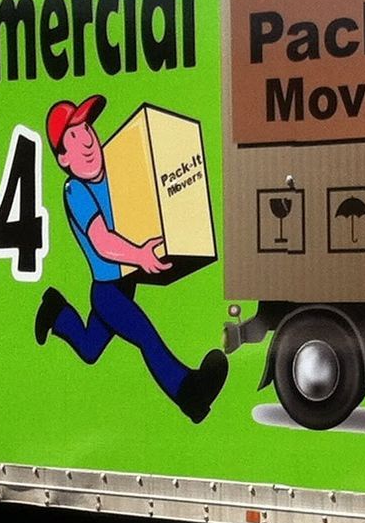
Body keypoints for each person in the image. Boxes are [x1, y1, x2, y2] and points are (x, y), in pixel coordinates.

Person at [34, 95, 228, 423]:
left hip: (125, 283)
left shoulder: (115, 169)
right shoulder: (75, 191)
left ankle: (56, 312)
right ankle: (191, 395)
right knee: (146, 337)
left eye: (87, 130)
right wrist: (138, 255)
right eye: (74, 136)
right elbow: (102, 241)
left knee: (90, 349)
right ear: (64, 158)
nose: (87, 141)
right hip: (108, 291)